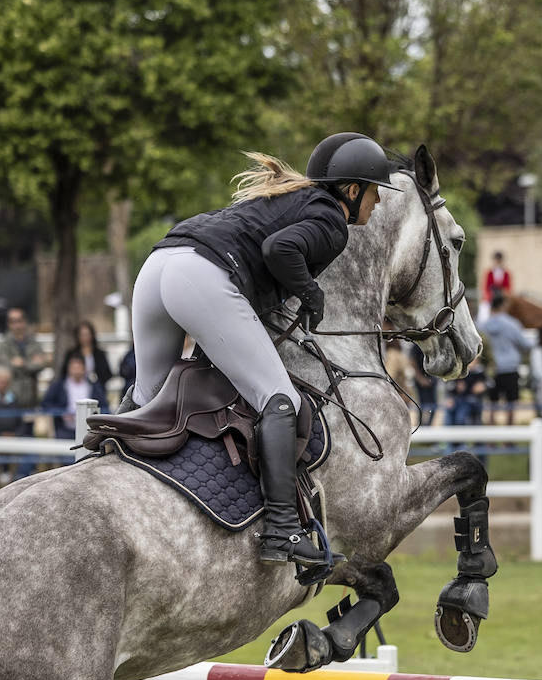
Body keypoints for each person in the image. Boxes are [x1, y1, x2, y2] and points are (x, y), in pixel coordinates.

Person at [126, 132, 398, 566]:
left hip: (159, 264)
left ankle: (101, 463)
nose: (377, 203)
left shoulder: (292, 201)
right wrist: (312, 294)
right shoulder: (331, 221)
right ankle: (282, 531)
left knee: (149, 401)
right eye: (375, 192)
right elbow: (279, 249)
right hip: (200, 274)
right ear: (352, 190)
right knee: (280, 399)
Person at [478, 292, 527, 426]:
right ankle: (509, 440)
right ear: (504, 305)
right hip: (510, 368)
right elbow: (524, 344)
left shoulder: (483, 325)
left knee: (492, 405)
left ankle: (491, 441)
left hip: (491, 369)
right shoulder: (512, 324)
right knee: (511, 405)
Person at [41, 354, 108, 441]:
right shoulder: (59, 385)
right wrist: (62, 413)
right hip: (64, 429)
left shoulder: (93, 386)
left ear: (84, 369)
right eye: (74, 368)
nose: (77, 371)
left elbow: (104, 405)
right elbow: (46, 403)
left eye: (79, 368)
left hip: (90, 430)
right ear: (69, 369)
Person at [0, 306, 50, 410]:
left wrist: (23, 364)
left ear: (24, 321)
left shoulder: (34, 342)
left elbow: (41, 364)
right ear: (9, 324)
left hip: (31, 398)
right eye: (13, 321)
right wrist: (30, 365)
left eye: (19, 321)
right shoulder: (5, 344)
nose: (17, 325)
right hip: (10, 398)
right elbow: (5, 367)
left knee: (29, 425)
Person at [62, 320, 114, 387]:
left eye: (87, 334)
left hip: (96, 388)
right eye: (82, 335)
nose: (85, 338)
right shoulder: (71, 354)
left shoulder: (100, 354)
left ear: (92, 335)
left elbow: (107, 374)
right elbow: (64, 373)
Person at [478, 251, 513, 324]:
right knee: (484, 308)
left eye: (499, 260)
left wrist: (503, 295)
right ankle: (482, 323)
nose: (497, 262)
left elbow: (508, 288)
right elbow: (486, 287)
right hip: (491, 296)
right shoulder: (489, 273)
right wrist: (490, 296)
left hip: (502, 297)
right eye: (496, 260)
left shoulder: (506, 273)